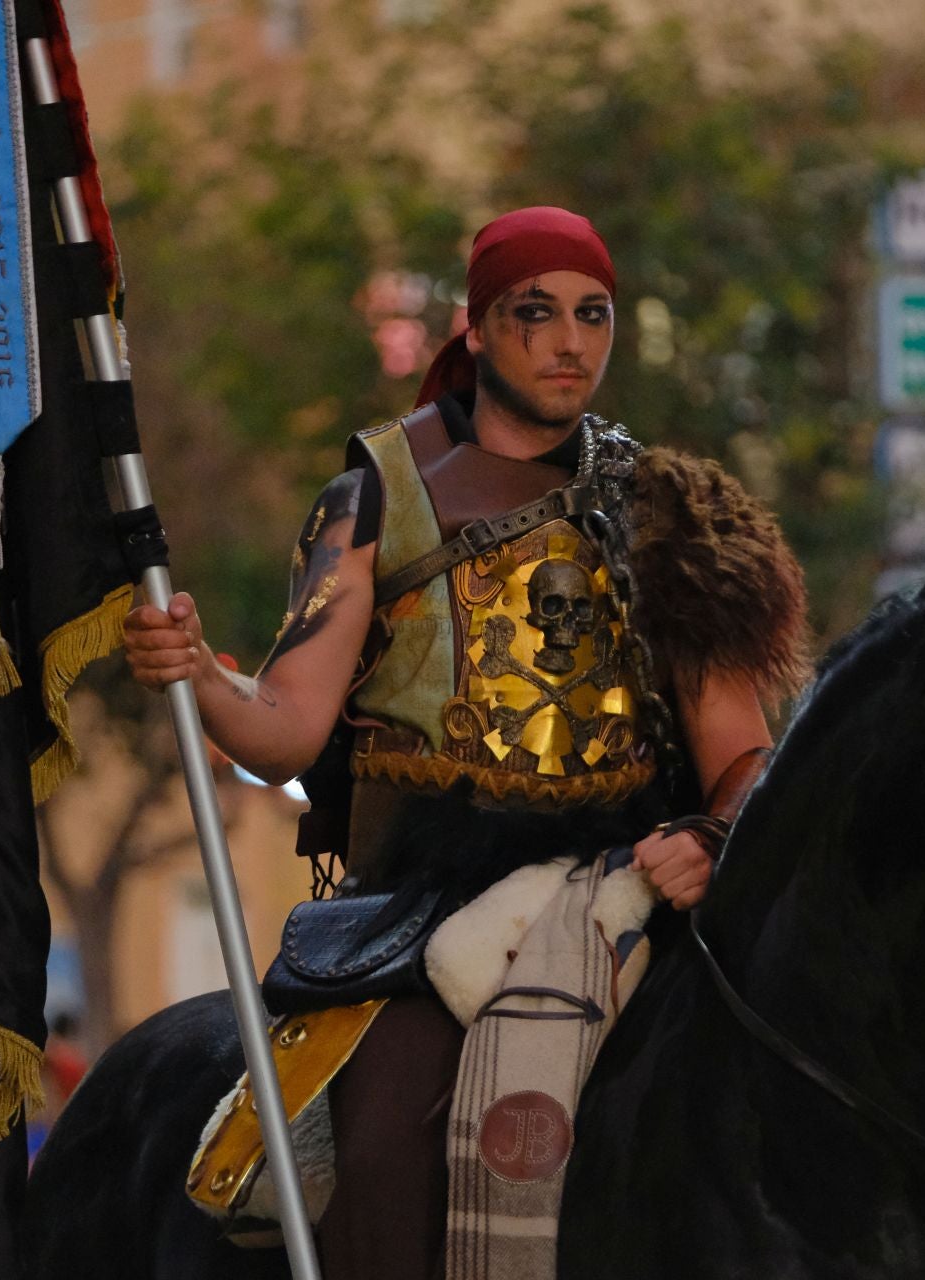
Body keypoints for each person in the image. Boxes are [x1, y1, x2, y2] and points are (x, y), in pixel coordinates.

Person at [123, 206, 806, 1280]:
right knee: (391, 1130)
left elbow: (742, 754)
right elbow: (289, 725)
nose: (569, 340)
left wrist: (714, 833)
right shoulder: (375, 495)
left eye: (593, 314)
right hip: (426, 900)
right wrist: (200, 672)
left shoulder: (668, 510)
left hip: (629, 885)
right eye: (535, 313)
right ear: (479, 330)